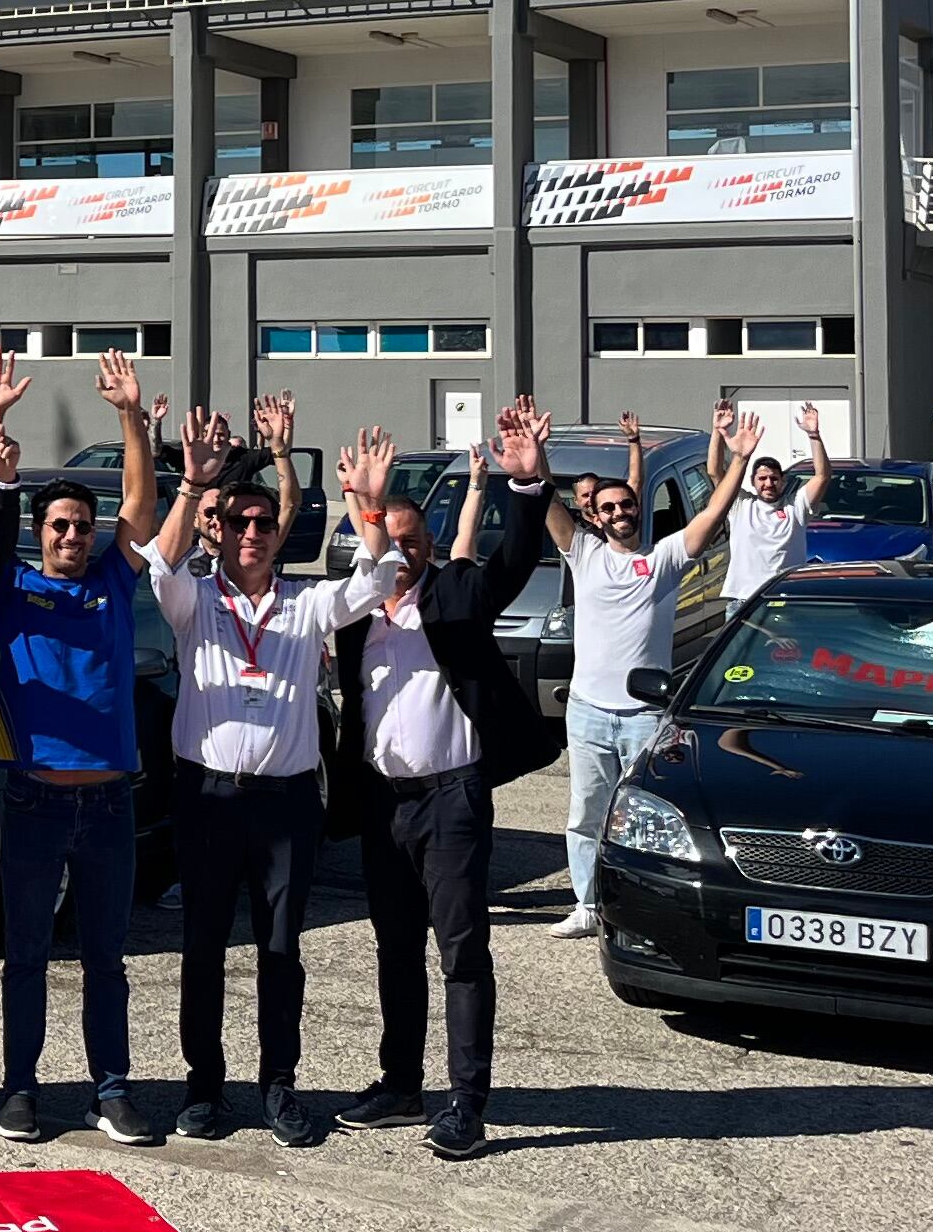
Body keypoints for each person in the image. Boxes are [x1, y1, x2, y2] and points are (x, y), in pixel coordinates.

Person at [144, 399, 408, 1143]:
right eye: (240, 523)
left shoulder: (306, 604)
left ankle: (279, 1084)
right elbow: (159, 564)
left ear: (277, 533)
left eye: (264, 523)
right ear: (221, 532)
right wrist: (193, 485)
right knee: (203, 946)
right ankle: (203, 1086)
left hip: (287, 803)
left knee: (282, 949)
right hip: (207, 797)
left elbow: (380, 576)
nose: (253, 534)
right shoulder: (196, 600)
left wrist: (370, 504)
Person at [320, 403, 559, 1162]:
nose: (401, 553)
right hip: (382, 802)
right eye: (388, 541)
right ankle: (400, 1084)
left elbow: (514, 562)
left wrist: (528, 486)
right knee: (395, 948)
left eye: (412, 541)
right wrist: (356, 499)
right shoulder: (355, 618)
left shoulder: (456, 595)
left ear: (427, 544)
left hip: (451, 798)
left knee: (461, 952)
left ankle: (466, 1102)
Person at [0, 347, 168, 1148]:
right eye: (60, 525)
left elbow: (142, 506)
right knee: (25, 957)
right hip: (34, 802)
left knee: (106, 961)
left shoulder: (113, 579)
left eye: (83, 526)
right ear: (40, 533)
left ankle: (109, 1092)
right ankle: (20, 1090)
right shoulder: (13, 587)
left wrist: (129, 414)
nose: (73, 535)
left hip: (110, 805)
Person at [541, 411, 739, 939]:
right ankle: (587, 904)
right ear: (596, 516)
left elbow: (713, 513)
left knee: (647, 820)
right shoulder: (584, 554)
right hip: (587, 712)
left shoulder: (665, 558)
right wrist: (535, 455)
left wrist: (738, 458)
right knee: (586, 814)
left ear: (638, 508)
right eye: (608, 508)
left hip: (644, 717)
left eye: (626, 504)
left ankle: (640, 910)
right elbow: (545, 500)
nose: (619, 512)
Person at [711, 403, 829, 598]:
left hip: (787, 597)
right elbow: (715, 473)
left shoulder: (796, 507)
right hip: (743, 599)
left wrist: (814, 436)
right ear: (752, 481)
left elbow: (822, 477)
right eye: (762, 478)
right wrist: (717, 431)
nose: (768, 483)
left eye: (774, 478)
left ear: (783, 481)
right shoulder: (741, 505)